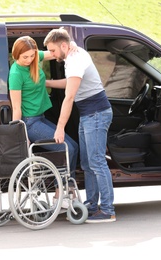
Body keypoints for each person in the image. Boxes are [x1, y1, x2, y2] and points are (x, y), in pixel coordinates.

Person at [44, 28, 116, 223]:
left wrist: (59, 128)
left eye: (52, 51)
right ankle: (92, 206)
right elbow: (70, 83)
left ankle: (108, 210)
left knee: (97, 162)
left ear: (64, 46)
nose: (51, 55)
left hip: (96, 114)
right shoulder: (71, 54)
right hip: (88, 114)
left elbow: (69, 97)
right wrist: (46, 82)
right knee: (87, 163)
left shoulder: (75, 60)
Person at [8, 36, 79, 208]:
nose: (29, 60)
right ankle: (59, 195)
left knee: (73, 146)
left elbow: (56, 52)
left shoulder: (34, 57)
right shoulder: (16, 73)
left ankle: (65, 192)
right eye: (25, 57)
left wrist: (72, 45)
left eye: (32, 56)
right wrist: (19, 136)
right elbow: (16, 108)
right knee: (65, 148)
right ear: (16, 55)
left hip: (41, 117)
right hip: (30, 122)